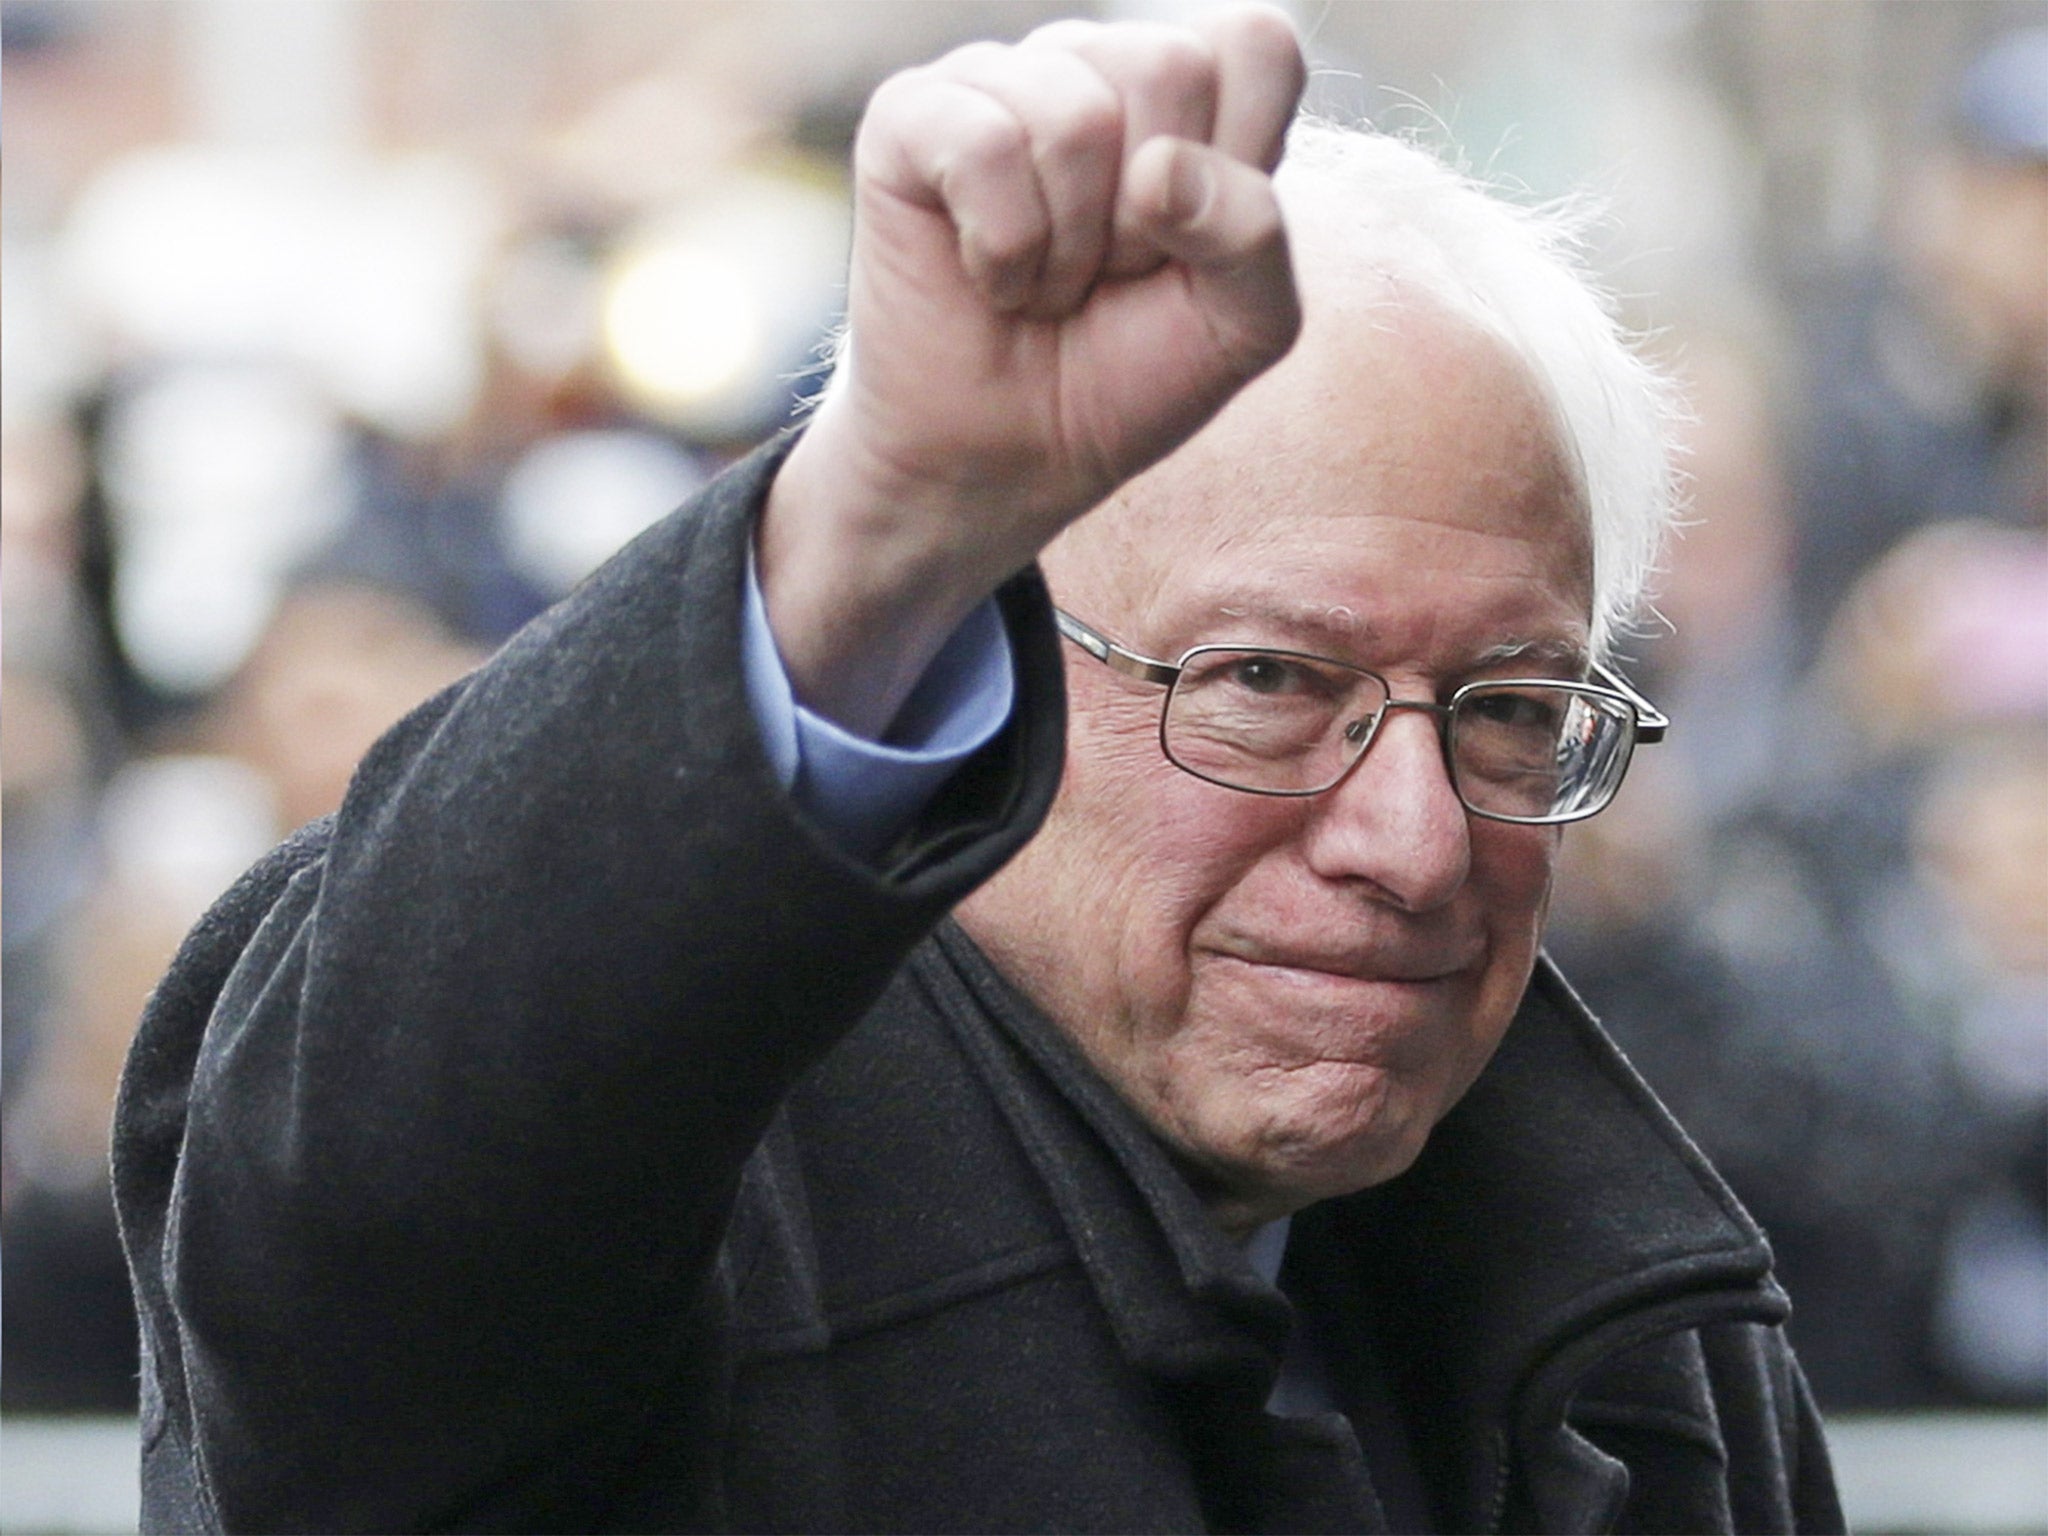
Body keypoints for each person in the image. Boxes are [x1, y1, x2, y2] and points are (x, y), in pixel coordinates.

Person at [114, 10, 1843, 1532]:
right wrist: (874, 521)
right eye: (1262, 682)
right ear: (983, 648)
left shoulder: (1644, 1342)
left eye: (1511, 709)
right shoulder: (689, 1186)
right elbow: (395, 1174)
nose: (1412, 842)